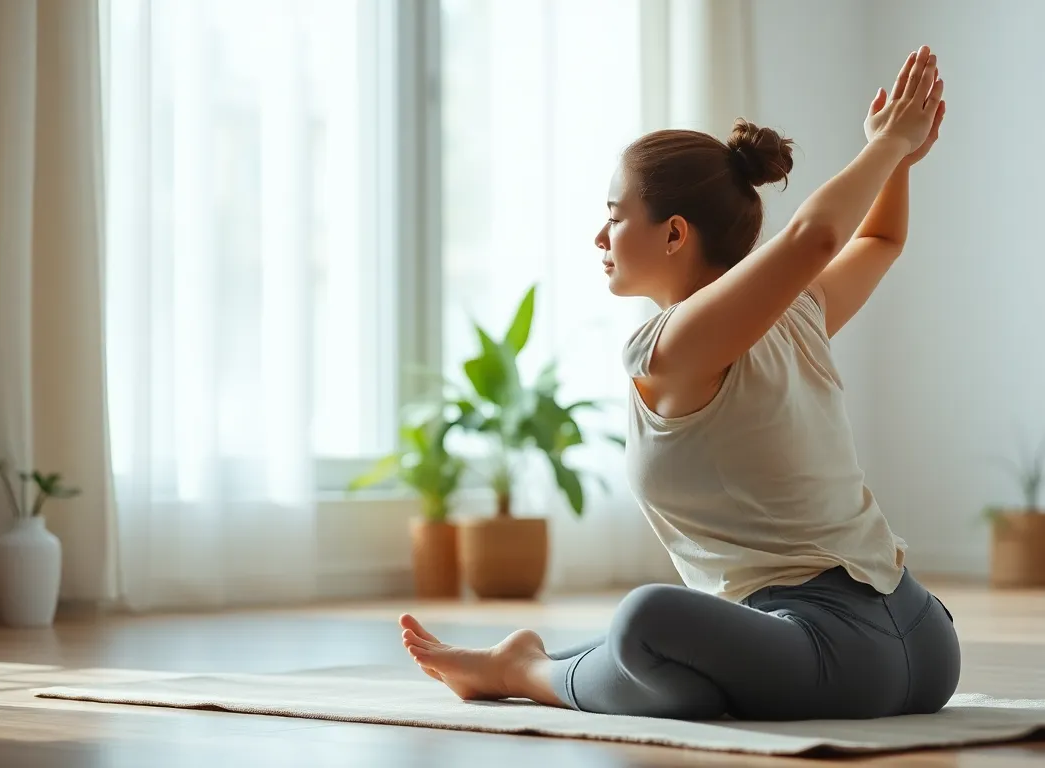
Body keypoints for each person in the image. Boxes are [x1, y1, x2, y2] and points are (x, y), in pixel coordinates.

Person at [400, 46, 959, 722]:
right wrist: (897, 161)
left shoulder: (671, 348)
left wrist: (891, 143)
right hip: (925, 643)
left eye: (614, 213)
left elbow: (819, 237)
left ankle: (530, 671)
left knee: (647, 621)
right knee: (669, 660)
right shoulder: (799, 312)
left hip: (827, 654)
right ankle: (534, 660)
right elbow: (882, 242)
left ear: (673, 234)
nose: (599, 234)